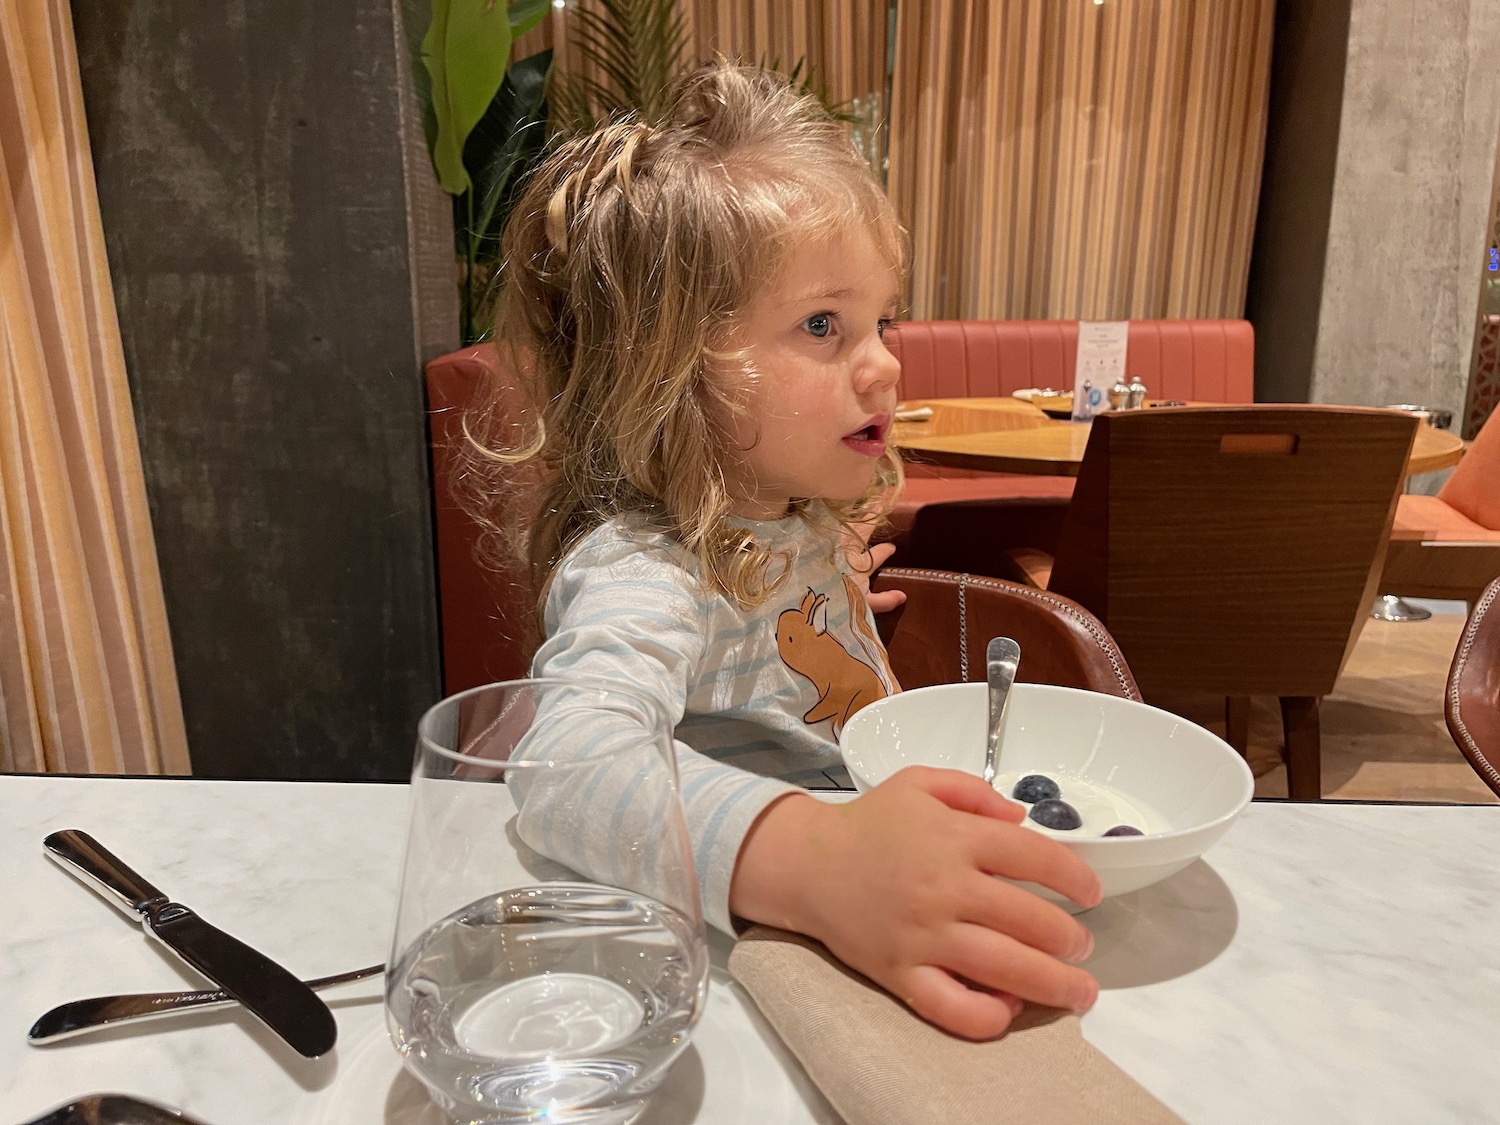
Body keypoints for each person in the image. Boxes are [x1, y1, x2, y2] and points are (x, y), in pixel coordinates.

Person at [464, 61, 1101, 1041]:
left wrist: (834, 576)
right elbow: (567, 769)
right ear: (671, 372)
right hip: (752, 960)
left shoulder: (786, 515)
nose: (885, 360)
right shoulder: (647, 567)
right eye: (822, 325)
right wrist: (819, 859)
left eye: (882, 320)